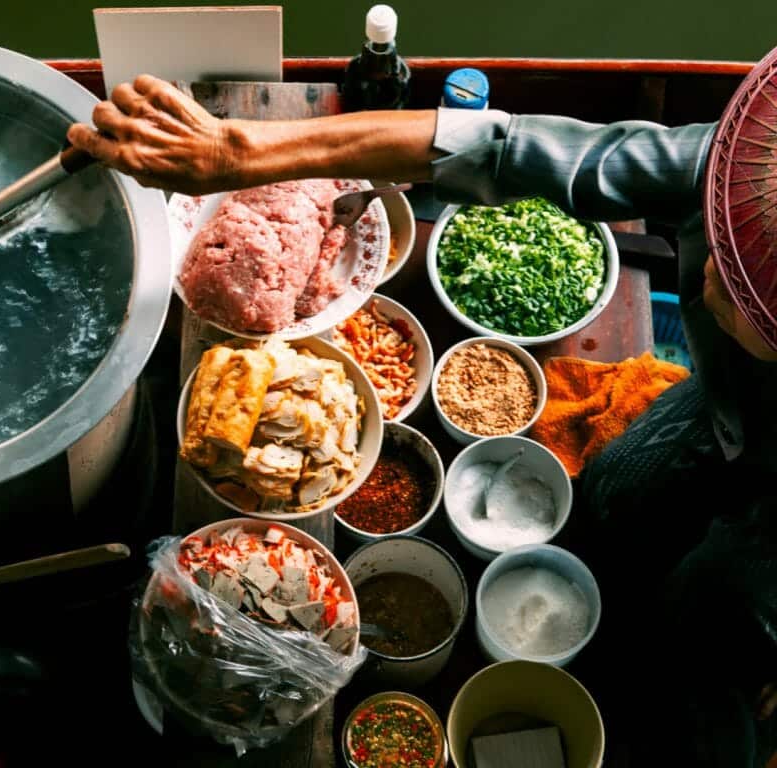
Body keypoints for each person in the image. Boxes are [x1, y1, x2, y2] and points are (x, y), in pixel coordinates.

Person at [69, 74, 776, 766]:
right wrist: (241, 149)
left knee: (708, 637)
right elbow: (501, 145)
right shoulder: (750, 159)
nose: (715, 259)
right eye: (729, 235)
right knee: (617, 490)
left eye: (749, 281)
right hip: (726, 403)